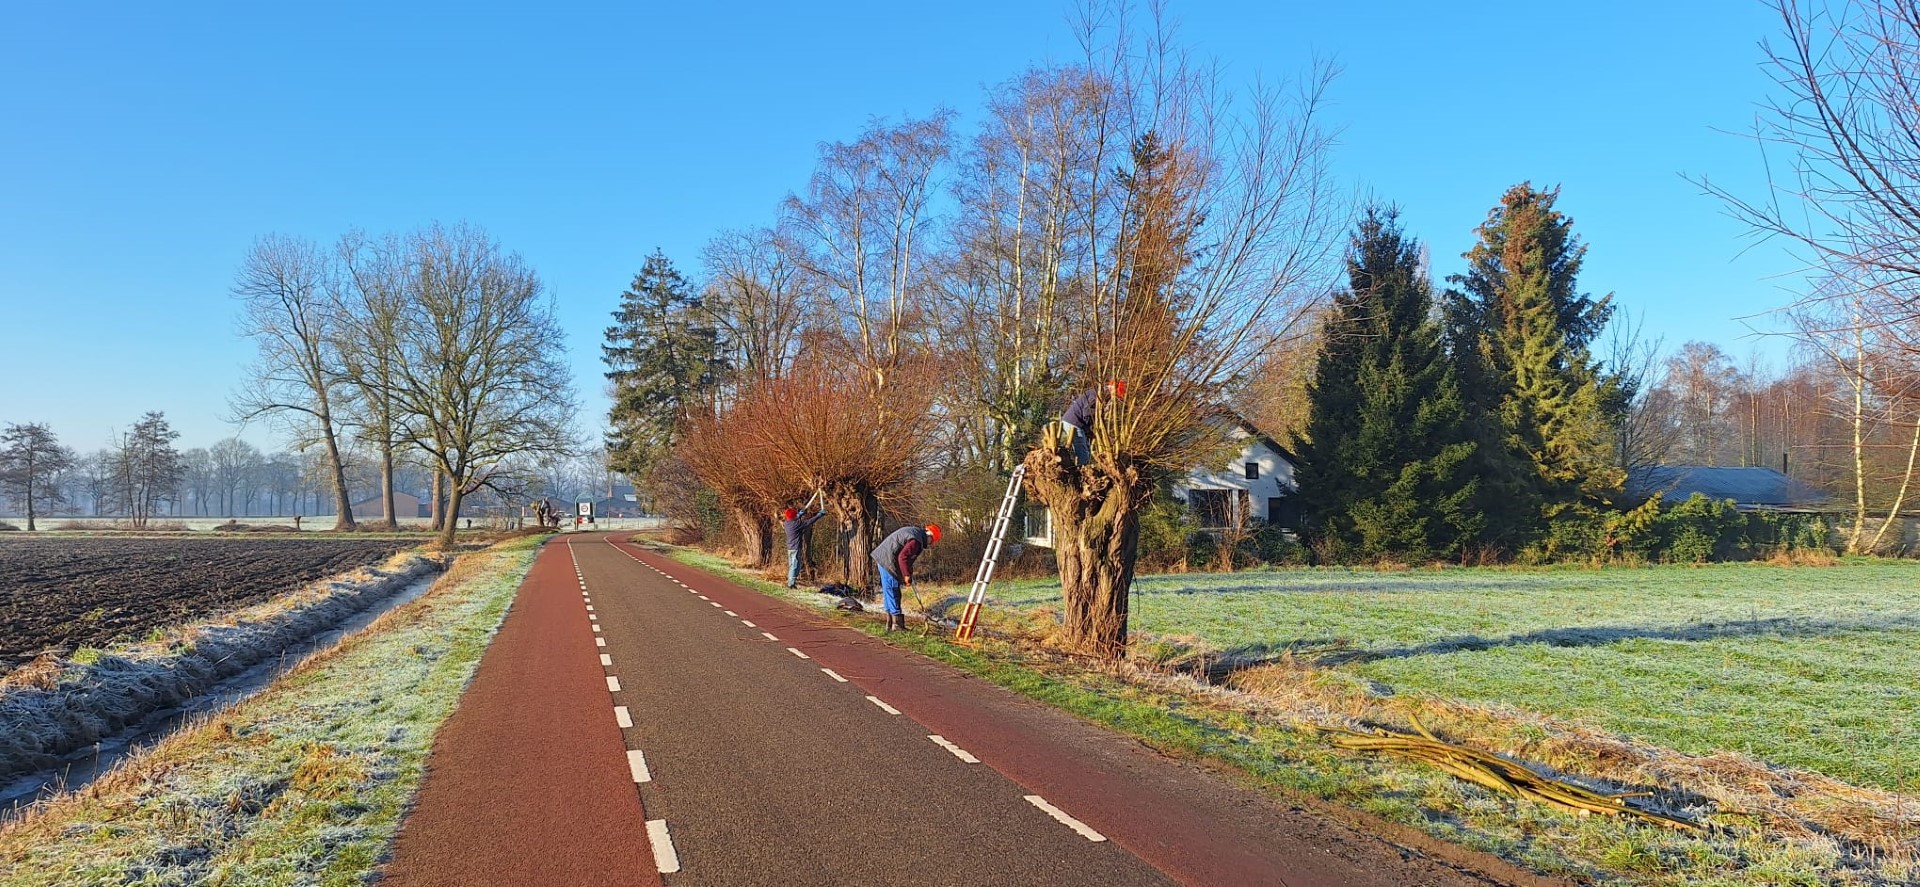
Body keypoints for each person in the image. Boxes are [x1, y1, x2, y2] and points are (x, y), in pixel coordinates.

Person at [870, 523, 940, 632]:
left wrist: (908, 573)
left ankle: (890, 623)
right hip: (887, 560)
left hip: (883, 558)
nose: (931, 544)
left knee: (889, 591)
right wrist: (906, 575)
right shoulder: (916, 541)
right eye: (933, 541)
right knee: (893, 590)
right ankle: (897, 625)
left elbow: (907, 560)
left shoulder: (916, 535)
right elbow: (903, 557)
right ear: (929, 536)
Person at [1060, 380, 1126, 464]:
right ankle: (1082, 472)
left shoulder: (1100, 395)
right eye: (1116, 394)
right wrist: (1089, 430)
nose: (1116, 397)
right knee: (1083, 452)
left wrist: (1090, 432)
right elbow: (1087, 413)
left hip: (1074, 422)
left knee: (1086, 449)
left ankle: (1080, 468)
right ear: (1113, 389)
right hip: (1074, 422)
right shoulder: (1098, 395)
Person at [781, 505, 827, 589]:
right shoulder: (796, 524)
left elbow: (793, 518)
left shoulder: (786, 523)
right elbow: (808, 522)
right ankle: (791, 584)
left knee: (794, 566)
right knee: (794, 566)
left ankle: (791, 582)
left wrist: (799, 514)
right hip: (795, 548)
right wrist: (819, 515)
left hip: (790, 548)